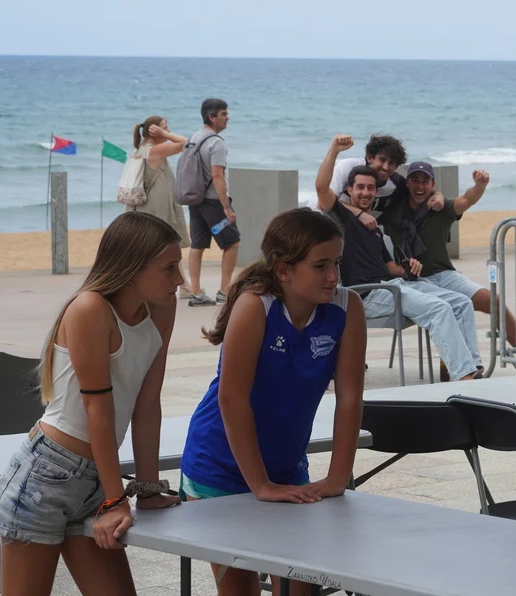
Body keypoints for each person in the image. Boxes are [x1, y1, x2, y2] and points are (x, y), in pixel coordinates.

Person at [0, 212, 183, 596]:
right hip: (46, 475)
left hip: (98, 475)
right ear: (132, 267)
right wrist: (115, 500)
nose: (180, 279)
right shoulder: (89, 308)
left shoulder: (162, 307)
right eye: (169, 268)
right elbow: (99, 411)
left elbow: (148, 404)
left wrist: (147, 490)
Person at [179, 208, 366, 596]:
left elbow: (349, 397)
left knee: (303, 584)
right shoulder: (256, 306)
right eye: (320, 266)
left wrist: (338, 476)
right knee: (241, 588)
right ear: (283, 270)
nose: (333, 276)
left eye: (336, 263)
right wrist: (260, 485)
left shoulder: (347, 308)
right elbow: (232, 399)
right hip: (220, 467)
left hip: (286, 468)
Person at [316, 135, 483, 381]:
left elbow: (391, 268)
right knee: (439, 309)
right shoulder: (340, 217)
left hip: (393, 285)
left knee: (461, 302)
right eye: (360, 187)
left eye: (370, 188)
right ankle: (464, 375)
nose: (365, 193)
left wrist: (409, 267)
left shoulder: (374, 228)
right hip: (367, 294)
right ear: (349, 190)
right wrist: (334, 150)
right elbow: (321, 188)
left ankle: (474, 368)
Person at [379, 162, 516, 374]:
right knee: (450, 308)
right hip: (413, 281)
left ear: (433, 184)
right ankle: (461, 368)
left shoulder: (441, 207)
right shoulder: (394, 211)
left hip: (445, 275)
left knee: (494, 302)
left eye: (425, 181)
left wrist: (479, 186)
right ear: (407, 183)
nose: (420, 186)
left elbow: (466, 200)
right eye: (415, 180)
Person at [184, 97, 240, 307]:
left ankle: (196, 292)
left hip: (195, 200)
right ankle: (225, 291)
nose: (227, 118)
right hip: (214, 203)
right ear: (211, 116)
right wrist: (226, 207)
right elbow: (217, 176)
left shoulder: (193, 138)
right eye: (224, 114)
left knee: (197, 244)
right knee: (232, 242)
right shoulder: (216, 143)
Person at [127, 115, 189, 249]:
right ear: (154, 131)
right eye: (165, 128)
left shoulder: (141, 149)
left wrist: (163, 133)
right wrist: (166, 134)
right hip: (157, 204)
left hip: (145, 204)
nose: (168, 131)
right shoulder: (155, 150)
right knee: (161, 242)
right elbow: (190, 144)